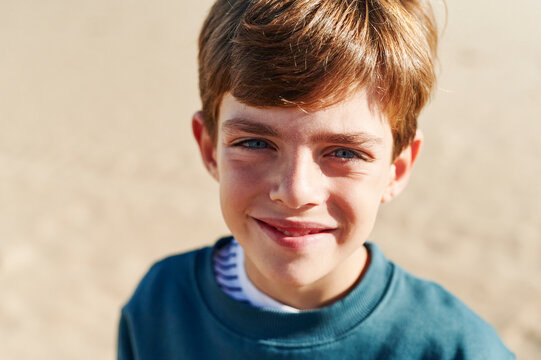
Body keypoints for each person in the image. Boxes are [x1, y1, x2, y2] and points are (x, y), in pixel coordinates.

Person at [117, 0, 515, 358]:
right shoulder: (160, 304)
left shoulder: (457, 349)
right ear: (209, 149)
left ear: (397, 168)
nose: (294, 191)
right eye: (255, 142)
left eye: (344, 152)